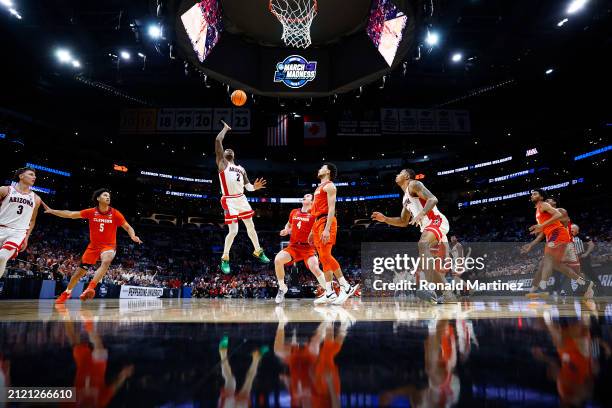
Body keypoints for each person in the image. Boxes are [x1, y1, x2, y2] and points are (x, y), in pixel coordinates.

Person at [44, 189, 143, 302]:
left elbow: (128, 227)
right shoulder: (91, 212)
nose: (108, 197)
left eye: (109, 196)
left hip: (109, 246)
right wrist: (52, 211)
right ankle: (67, 292)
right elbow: (71, 214)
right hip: (93, 247)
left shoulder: (115, 213)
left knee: (106, 261)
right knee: (78, 274)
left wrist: (133, 236)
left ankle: (90, 288)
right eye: (105, 195)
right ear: (98, 198)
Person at [371, 169, 452, 303]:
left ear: (406, 176)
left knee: (422, 245)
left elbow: (433, 199)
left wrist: (422, 213)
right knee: (425, 259)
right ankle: (446, 293)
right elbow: (403, 222)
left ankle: (433, 288)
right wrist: (385, 219)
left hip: (436, 221)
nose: (397, 175)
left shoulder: (414, 184)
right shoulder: (405, 198)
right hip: (427, 228)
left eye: (400, 173)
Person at [215, 120, 269, 274]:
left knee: (251, 226)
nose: (229, 150)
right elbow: (218, 140)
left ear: (234, 155)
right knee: (234, 231)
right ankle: (225, 257)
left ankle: (258, 251)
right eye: (226, 150)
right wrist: (225, 129)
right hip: (229, 200)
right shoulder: (222, 163)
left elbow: (248, 187)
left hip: (242, 198)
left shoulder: (241, 168)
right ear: (224, 154)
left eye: (231, 150)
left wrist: (255, 187)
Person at [521, 189, 593, 298]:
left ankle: (542, 286)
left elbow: (558, 214)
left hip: (558, 234)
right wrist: (531, 244)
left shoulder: (544, 205)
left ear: (541, 197)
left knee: (548, 260)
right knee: (556, 265)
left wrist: (541, 225)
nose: (532, 195)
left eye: (535, 194)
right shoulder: (538, 210)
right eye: (532, 194)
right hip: (553, 236)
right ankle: (584, 282)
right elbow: (542, 232)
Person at [308, 163, 358, 305]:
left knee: (325, 255)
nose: (319, 169)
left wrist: (326, 228)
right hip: (317, 222)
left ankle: (346, 286)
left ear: (328, 171)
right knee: (323, 259)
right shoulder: (318, 188)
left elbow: (331, 209)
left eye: (321, 167)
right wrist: (312, 231)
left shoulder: (330, 186)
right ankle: (329, 292)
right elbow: (314, 213)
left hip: (326, 221)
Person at [274, 194, 327, 304]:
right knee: (278, 260)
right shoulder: (294, 211)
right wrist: (286, 230)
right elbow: (288, 225)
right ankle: (282, 287)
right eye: (304, 196)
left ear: (312, 201)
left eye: (308, 196)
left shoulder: (314, 214)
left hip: (308, 248)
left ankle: (329, 292)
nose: (305, 196)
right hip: (293, 246)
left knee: (315, 268)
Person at [0, 167, 42, 279]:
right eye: (31, 174)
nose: (34, 177)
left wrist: (27, 237)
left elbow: (32, 220)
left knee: (2, 256)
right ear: (21, 176)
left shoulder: (36, 199)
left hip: (18, 233)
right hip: (1, 227)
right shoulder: (5, 190)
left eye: (34, 175)